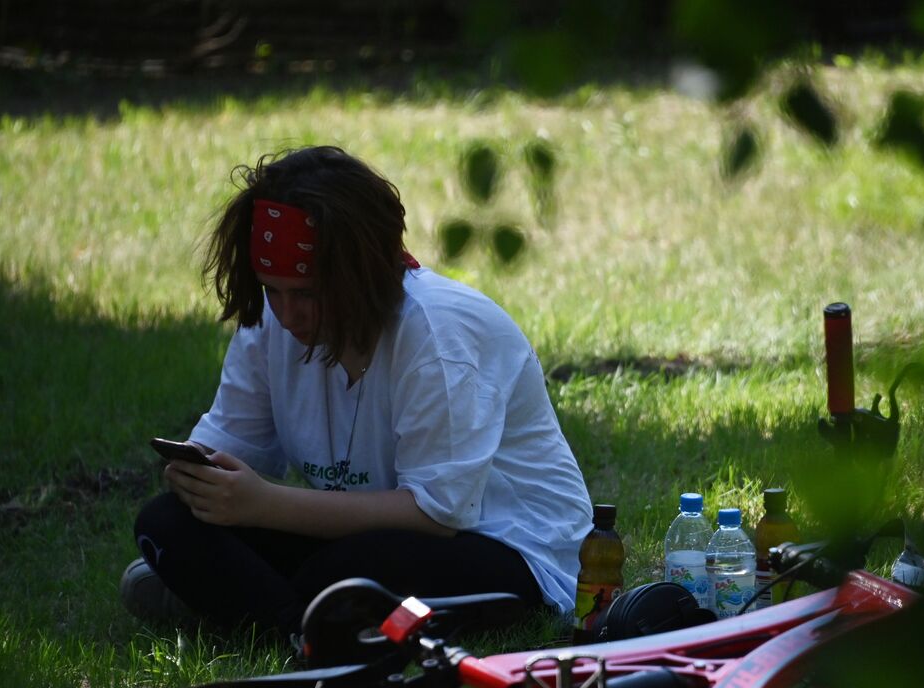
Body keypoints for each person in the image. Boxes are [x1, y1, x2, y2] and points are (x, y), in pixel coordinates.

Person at [120, 145, 592, 638]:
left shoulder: (437, 334)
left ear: (357, 275)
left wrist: (262, 505)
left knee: (344, 572)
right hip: (368, 539)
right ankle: (296, 617)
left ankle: (275, 621)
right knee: (167, 522)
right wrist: (201, 480)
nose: (287, 314)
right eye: (272, 290)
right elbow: (229, 451)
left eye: (305, 293)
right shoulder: (269, 326)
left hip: (511, 551)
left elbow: (434, 516)